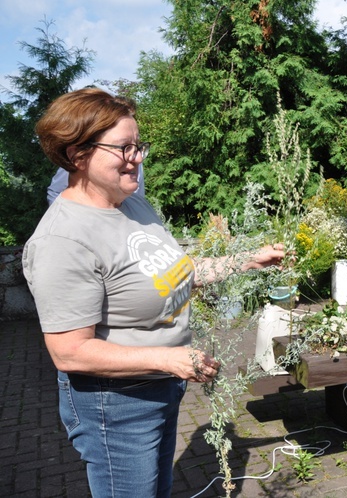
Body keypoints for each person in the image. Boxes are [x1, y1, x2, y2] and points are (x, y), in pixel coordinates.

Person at [22, 87, 285, 498]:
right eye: (124, 148)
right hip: (116, 405)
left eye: (138, 146)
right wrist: (167, 358)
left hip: (160, 385)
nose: (137, 158)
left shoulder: (131, 206)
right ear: (77, 154)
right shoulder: (63, 239)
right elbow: (69, 351)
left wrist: (248, 260)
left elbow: (174, 274)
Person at [47, 162, 145, 205]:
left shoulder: (137, 162)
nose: (138, 157)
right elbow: (55, 192)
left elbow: (139, 197)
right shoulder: (86, 160)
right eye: (123, 145)